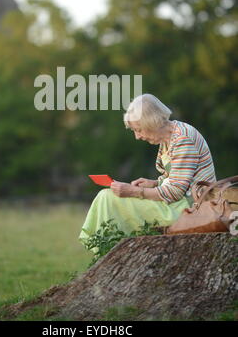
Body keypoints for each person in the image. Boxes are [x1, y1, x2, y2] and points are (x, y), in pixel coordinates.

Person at [79, 93, 216, 249]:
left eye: (139, 130)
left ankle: (106, 248)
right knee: (107, 196)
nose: (137, 137)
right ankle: (108, 247)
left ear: (153, 123)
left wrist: (134, 191)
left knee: (109, 199)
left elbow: (176, 191)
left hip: (191, 207)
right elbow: (175, 177)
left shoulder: (182, 139)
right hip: (179, 202)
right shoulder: (170, 137)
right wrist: (153, 183)